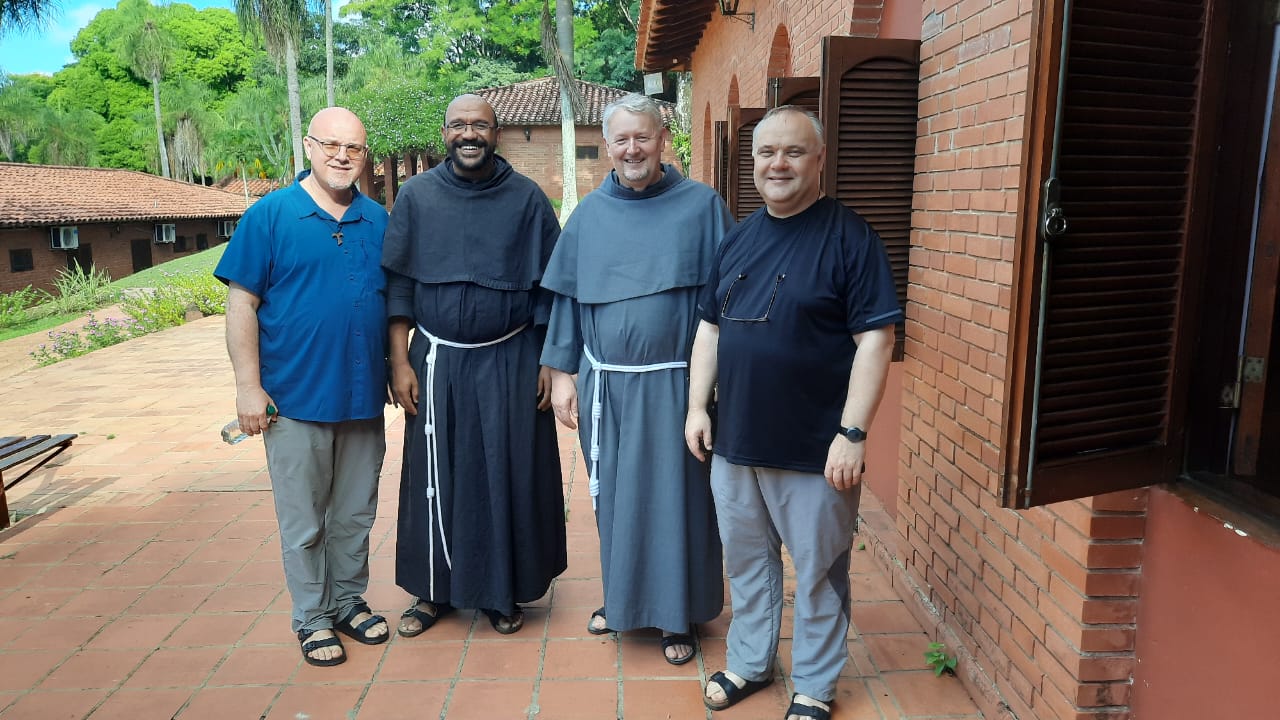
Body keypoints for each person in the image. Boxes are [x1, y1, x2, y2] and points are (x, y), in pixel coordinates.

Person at [685, 106, 902, 720]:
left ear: (819, 159)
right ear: (753, 161)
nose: (777, 164)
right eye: (766, 152)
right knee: (747, 564)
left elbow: (876, 340)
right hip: (736, 442)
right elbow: (709, 330)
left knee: (819, 571)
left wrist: (853, 433)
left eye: (793, 152)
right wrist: (698, 406)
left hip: (815, 448)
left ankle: (814, 683)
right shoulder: (738, 238)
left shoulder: (851, 238)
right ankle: (750, 663)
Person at [540, 93, 729, 665]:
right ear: (608, 146)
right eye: (620, 139)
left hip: (677, 387)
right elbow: (568, 301)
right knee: (615, 501)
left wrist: (714, 387)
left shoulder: (702, 207)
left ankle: (677, 615)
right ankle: (624, 603)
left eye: (642, 137)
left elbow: (727, 303)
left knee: (678, 501)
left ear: (662, 139)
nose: (631, 149)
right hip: (608, 389)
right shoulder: (589, 215)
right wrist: (563, 374)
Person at [383, 94, 566, 637]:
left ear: (496, 133)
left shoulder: (527, 199)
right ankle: (432, 590)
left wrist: (549, 360)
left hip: (512, 357)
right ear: (444, 133)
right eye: (459, 125)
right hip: (436, 360)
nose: (469, 134)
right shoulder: (416, 197)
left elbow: (550, 290)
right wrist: (399, 360)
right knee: (433, 473)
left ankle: (500, 590)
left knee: (505, 471)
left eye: (480, 126)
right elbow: (399, 285)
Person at [215, 107, 391, 667]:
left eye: (354, 148)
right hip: (294, 399)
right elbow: (241, 303)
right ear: (308, 146)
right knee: (304, 522)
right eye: (331, 145)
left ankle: (348, 602)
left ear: (365, 156)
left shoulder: (377, 220)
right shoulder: (270, 216)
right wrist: (248, 387)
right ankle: (312, 617)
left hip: (362, 397)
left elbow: (394, 305)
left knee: (355, 514)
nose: (342, 156)